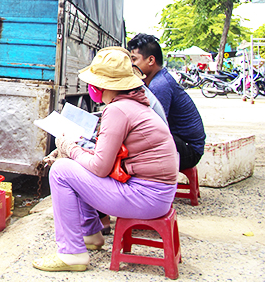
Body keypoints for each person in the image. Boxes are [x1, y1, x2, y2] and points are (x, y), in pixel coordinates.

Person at [33, 47, 178, 272]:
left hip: (146, 196)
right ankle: (90, 234)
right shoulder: (134, 105)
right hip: (158, 194)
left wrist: (68, 147)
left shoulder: (118, 110)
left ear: (102, 86)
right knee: (74, 166)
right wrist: (75, 150)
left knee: (62, 171)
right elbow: (103, 159)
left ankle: (72, 254)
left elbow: (100, 168)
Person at [127, 33, 206, 171]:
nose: (131, 65)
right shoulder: (153, 80)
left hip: (189, 150)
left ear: (151, 60)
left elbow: (152, 127)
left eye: (134, 59)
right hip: (181, 142)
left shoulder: (159, 85)